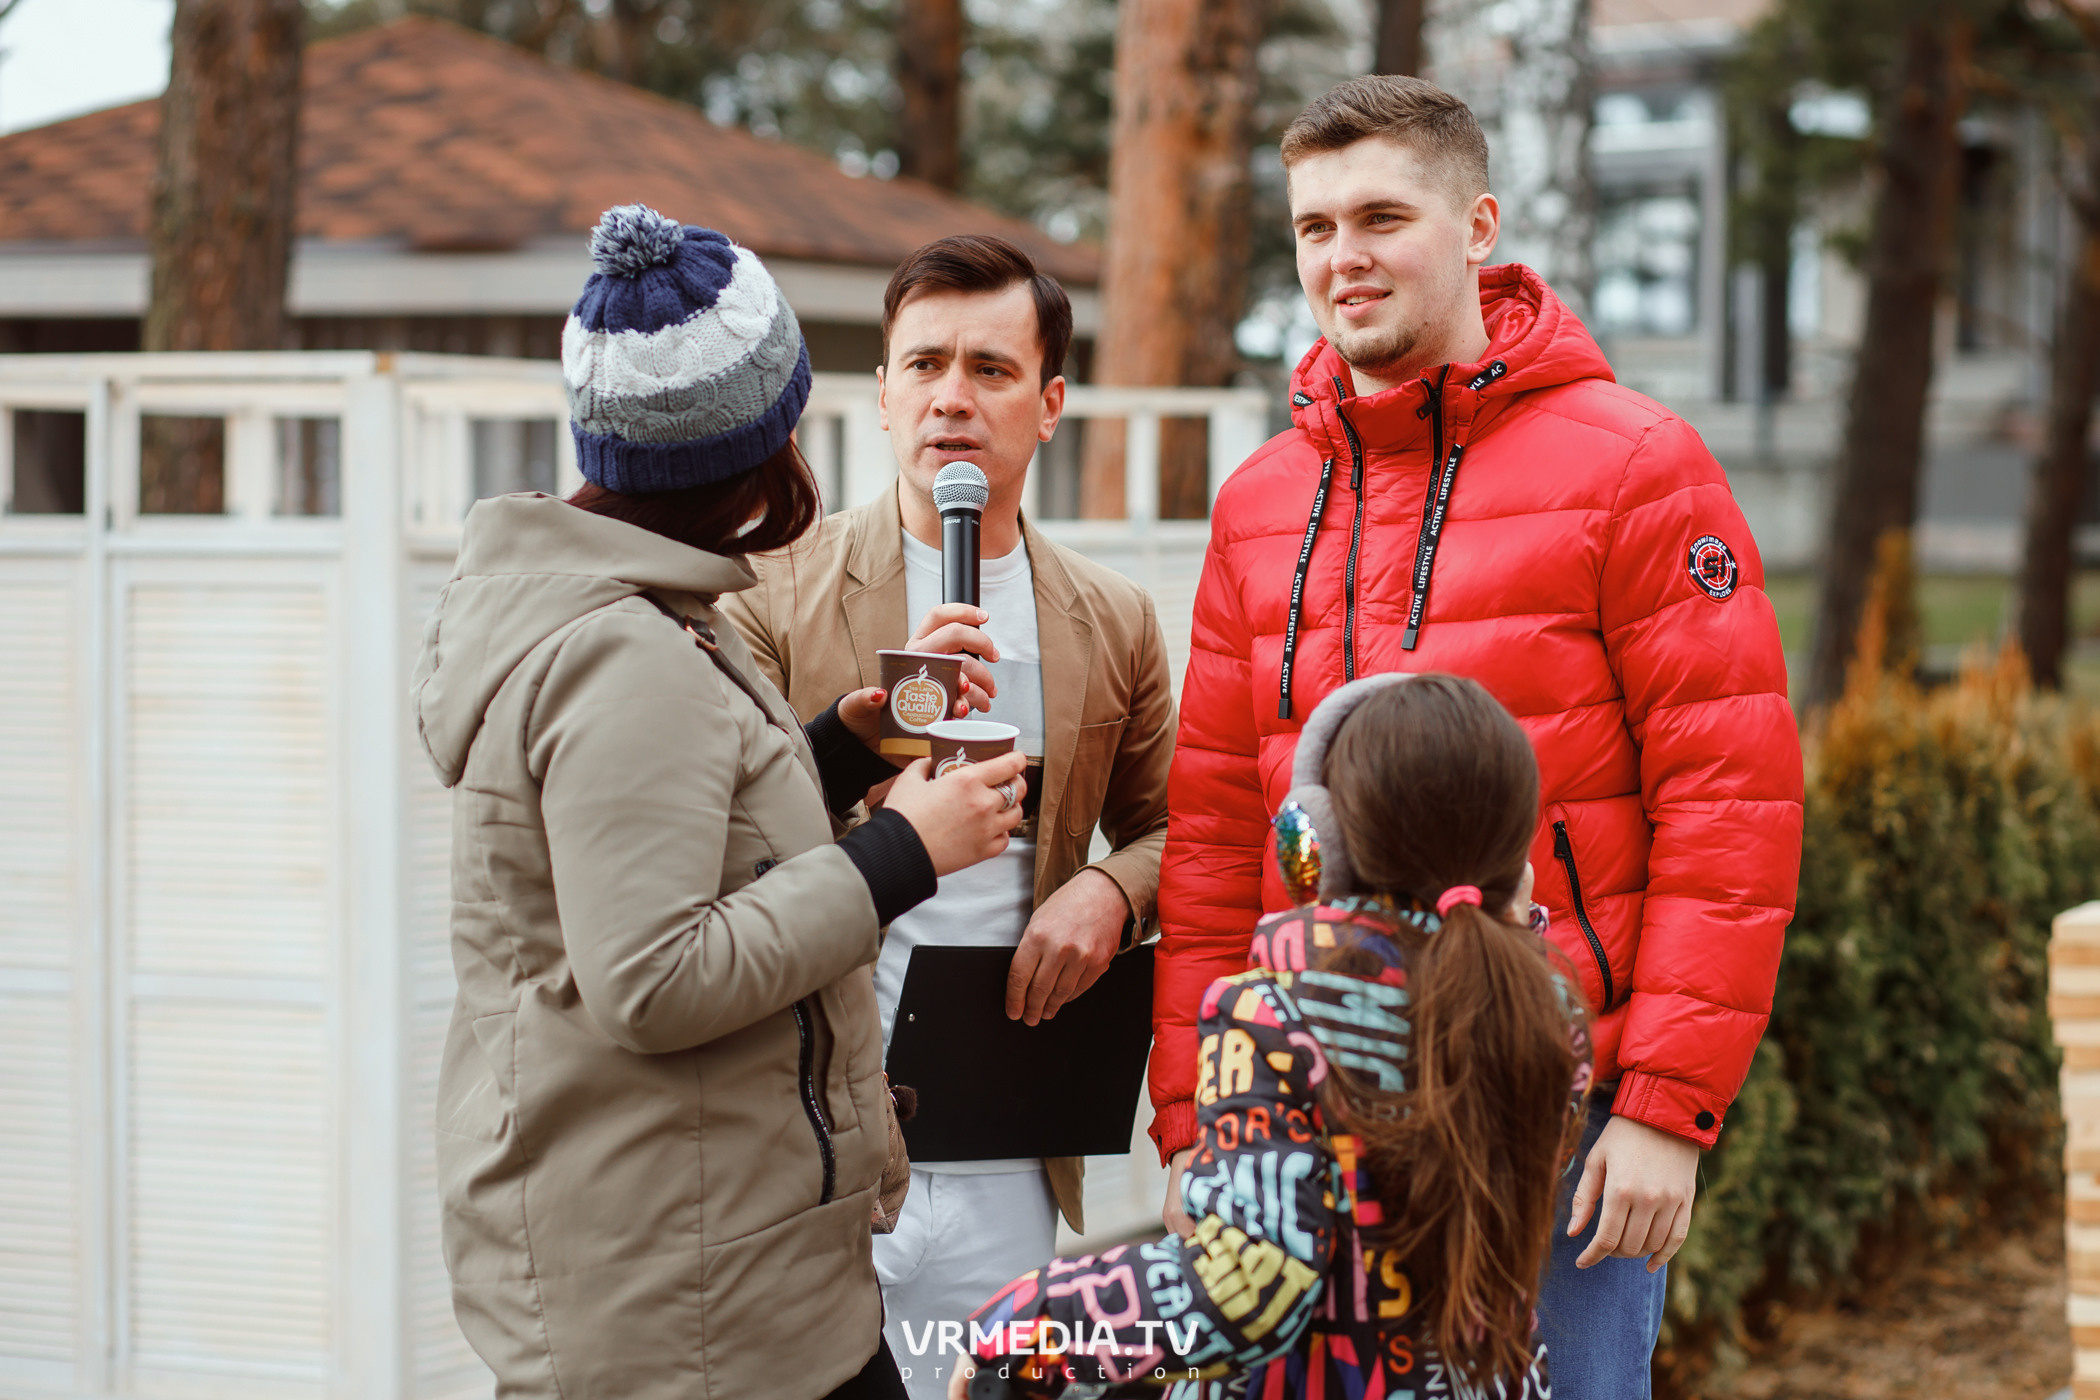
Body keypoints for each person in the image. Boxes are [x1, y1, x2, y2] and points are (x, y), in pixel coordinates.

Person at [1148, 76, 1805, 1398]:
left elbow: (1733, 804)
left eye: (1383, 215)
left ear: (1478, 224)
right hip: (1308, 1127)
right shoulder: (1261, 505)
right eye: (1315, 226)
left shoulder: (1634, 467)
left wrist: (1668, 1108)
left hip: (1548, 1128)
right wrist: (1193, 1125)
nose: (1345, 256)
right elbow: (1220, 834)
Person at [412, 205, 1030, 1400]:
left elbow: (694, 829)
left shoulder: (645, 611)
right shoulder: (622, 653)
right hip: (685, 1311)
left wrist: (846, 747)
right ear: (752, 442)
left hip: (724, 1261)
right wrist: (906, 847)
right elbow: (654, 974)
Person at [721, 233, 1176, 1400]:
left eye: (989, 368)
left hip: (1006, 1143)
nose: (951, 399)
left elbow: (1186, 827)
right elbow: (729, 848)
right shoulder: (771, 591)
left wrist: (1109, 889)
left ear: (1050, 402)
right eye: (922, 366)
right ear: (879, 395)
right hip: (818, 1140)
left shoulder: (1113, 619)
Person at [945, 673, 1591, 1400]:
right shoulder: (1550, 1012)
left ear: (1313, 844)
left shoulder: (1274, 1015)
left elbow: (1250, 1291)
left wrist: (1035, 1325)